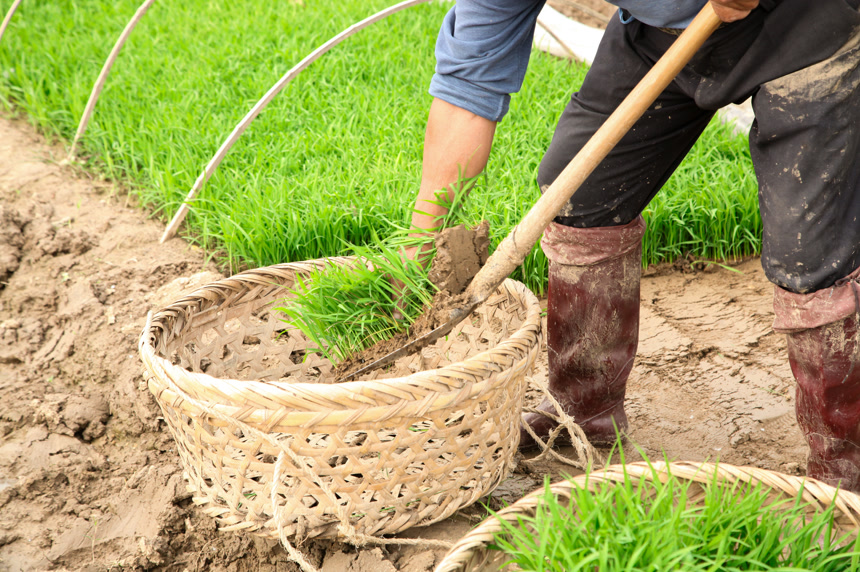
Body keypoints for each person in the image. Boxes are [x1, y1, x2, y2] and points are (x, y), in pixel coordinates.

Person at [406, 0, 860, 492]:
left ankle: (845, 472)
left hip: (807, 25)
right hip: (662, 32)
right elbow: (467, 87)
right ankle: (584, 409)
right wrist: (422, 240)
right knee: (580, 193)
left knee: (810, 257)